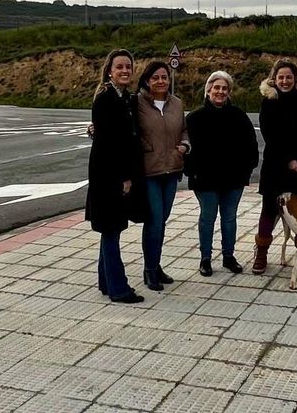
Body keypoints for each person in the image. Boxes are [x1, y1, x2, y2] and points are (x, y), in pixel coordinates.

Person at [85, 49, 145, 304]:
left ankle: (105, 281)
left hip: (113, 174)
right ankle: (118, 288)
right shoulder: (105, 99)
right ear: (109, 70)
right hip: (108, 175)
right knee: (111, 229)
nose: (124, 71)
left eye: (128, 67)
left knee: (111, 230)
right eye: (119, 66)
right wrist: (124, 177)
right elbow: (109, 143)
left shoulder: (125, 98)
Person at [185, 71, 259, 276]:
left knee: (229, 219)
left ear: (229, 92)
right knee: (207, 218)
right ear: (208, 90)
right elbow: (186, 148)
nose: (220, 91)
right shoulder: (194, 118)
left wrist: (246, 170)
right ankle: (205, 258)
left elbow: (252, 148)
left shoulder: (239, 116)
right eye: (216, 87)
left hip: (233, 180)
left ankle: (229, 256)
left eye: (224, 88)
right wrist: (192, 172)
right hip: (205, 180)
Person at [251, 60, 297, 275]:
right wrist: (289, 159)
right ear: (274, 79)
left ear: (295, 79)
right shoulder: (269, 101)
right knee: (269, 210)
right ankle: (262, 252)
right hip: (275, 165)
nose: (284, 81)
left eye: (289, 77)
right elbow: (270, 135)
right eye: (280, 77)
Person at [135, 61, 189, 292]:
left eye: (164, 77)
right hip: (149, 171)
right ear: (147, 80)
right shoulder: (136, 102)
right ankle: (149, 269)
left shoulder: (176, 103)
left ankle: (156, 265)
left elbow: (184, 130)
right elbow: (126, 127)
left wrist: (185, 145)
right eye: (155, 77)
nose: (160, 81)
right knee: (154, 221)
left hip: (172, 170)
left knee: (162, 221)